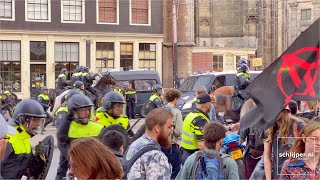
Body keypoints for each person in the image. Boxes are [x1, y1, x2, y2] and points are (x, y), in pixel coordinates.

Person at [56, 94, 106, 179]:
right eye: (83, 110)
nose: (87, 113)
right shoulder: (67, 128)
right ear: (74, 112)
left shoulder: (98, 127)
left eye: (88, 110)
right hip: (76, 171)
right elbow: (62, 145)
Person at [180, 93, 239, 165]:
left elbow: (213, 127)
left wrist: (230, 128)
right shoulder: (199, 120)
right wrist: (215, 155)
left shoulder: (192, 115)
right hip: (194, 157)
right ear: (207, 105)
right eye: (211, 103)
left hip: (186, 153)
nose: (213, 106)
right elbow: (201, 145)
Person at [0, 99, 47, 179]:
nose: (38, 124)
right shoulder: (9, 138)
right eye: (34, 120)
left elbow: (29, 170)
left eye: (39, 120)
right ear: (23, 119)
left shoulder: (25, 137)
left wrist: (38, 158)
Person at [123, 108, 173, 179]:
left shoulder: (136, 144)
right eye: (169, 127)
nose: (171, 131)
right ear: (157, 128)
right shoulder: (156, 156)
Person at [264, 107, 305, 180]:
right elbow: (267, 157)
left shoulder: (298, 125)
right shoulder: (269, 127)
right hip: (278, 175)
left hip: (296, 174)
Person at [55, 89, 81, 180]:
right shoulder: (62, 111)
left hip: (76, 143)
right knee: (63, 166)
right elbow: (60, 128)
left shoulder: (79, 110)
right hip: (65, 143)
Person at [162, 88, 183, 179]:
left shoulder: (161, 110)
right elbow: (178, 131)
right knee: (176, 167)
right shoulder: (177, 112)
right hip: (172, 144)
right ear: (175, 99)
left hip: (160, 143)